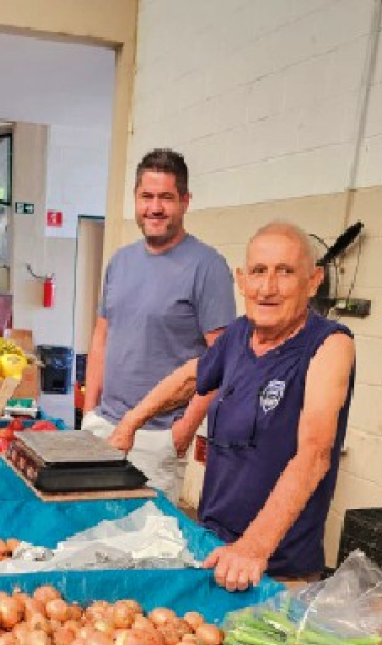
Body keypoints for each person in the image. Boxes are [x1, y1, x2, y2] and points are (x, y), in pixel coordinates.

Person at [109, 221, 355, 592]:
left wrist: (253, 548)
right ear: (241, 280)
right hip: (215, 550)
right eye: (258, 272)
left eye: (285, 272)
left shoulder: (329, 345)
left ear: (313, 280)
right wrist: (130, 423)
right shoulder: (240, 333)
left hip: (275, 569)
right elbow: (193, 376)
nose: (268, 288)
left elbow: (315, 454)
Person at [81, 148, 236, 502]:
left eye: (166, 197)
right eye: (146, 197)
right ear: (135, 199)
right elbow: (102, 337)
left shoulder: (207, 267)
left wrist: (183, 431)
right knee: (89, 536)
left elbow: (224, 359)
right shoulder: (120, 262)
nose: (154, 208)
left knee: (144, 552)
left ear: (184, 201)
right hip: (102, 427)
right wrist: (89, 412)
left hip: (157, 437)